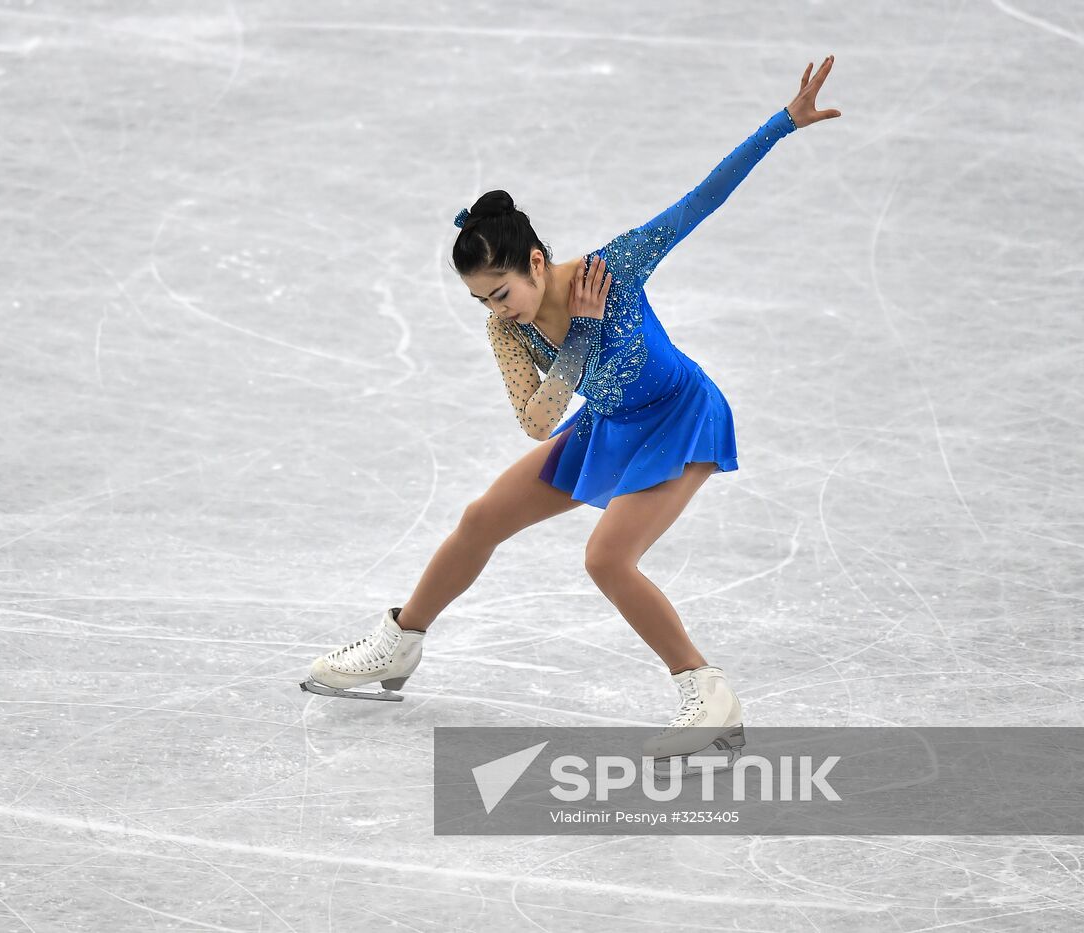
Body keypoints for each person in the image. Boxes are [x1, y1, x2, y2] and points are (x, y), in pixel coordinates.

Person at [301, 57, 841, 766]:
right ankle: (398, 644)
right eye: (481, 300)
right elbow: (537, 418)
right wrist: (579, 340)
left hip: (679, 417)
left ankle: (709, 695)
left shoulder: (611, 268)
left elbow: (698, 201)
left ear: (533, 260)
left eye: (500, 292)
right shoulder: (507, 329)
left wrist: (781, 124)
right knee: (481, 518)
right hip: (608, 426)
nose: (495, 310)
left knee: (608, 556)